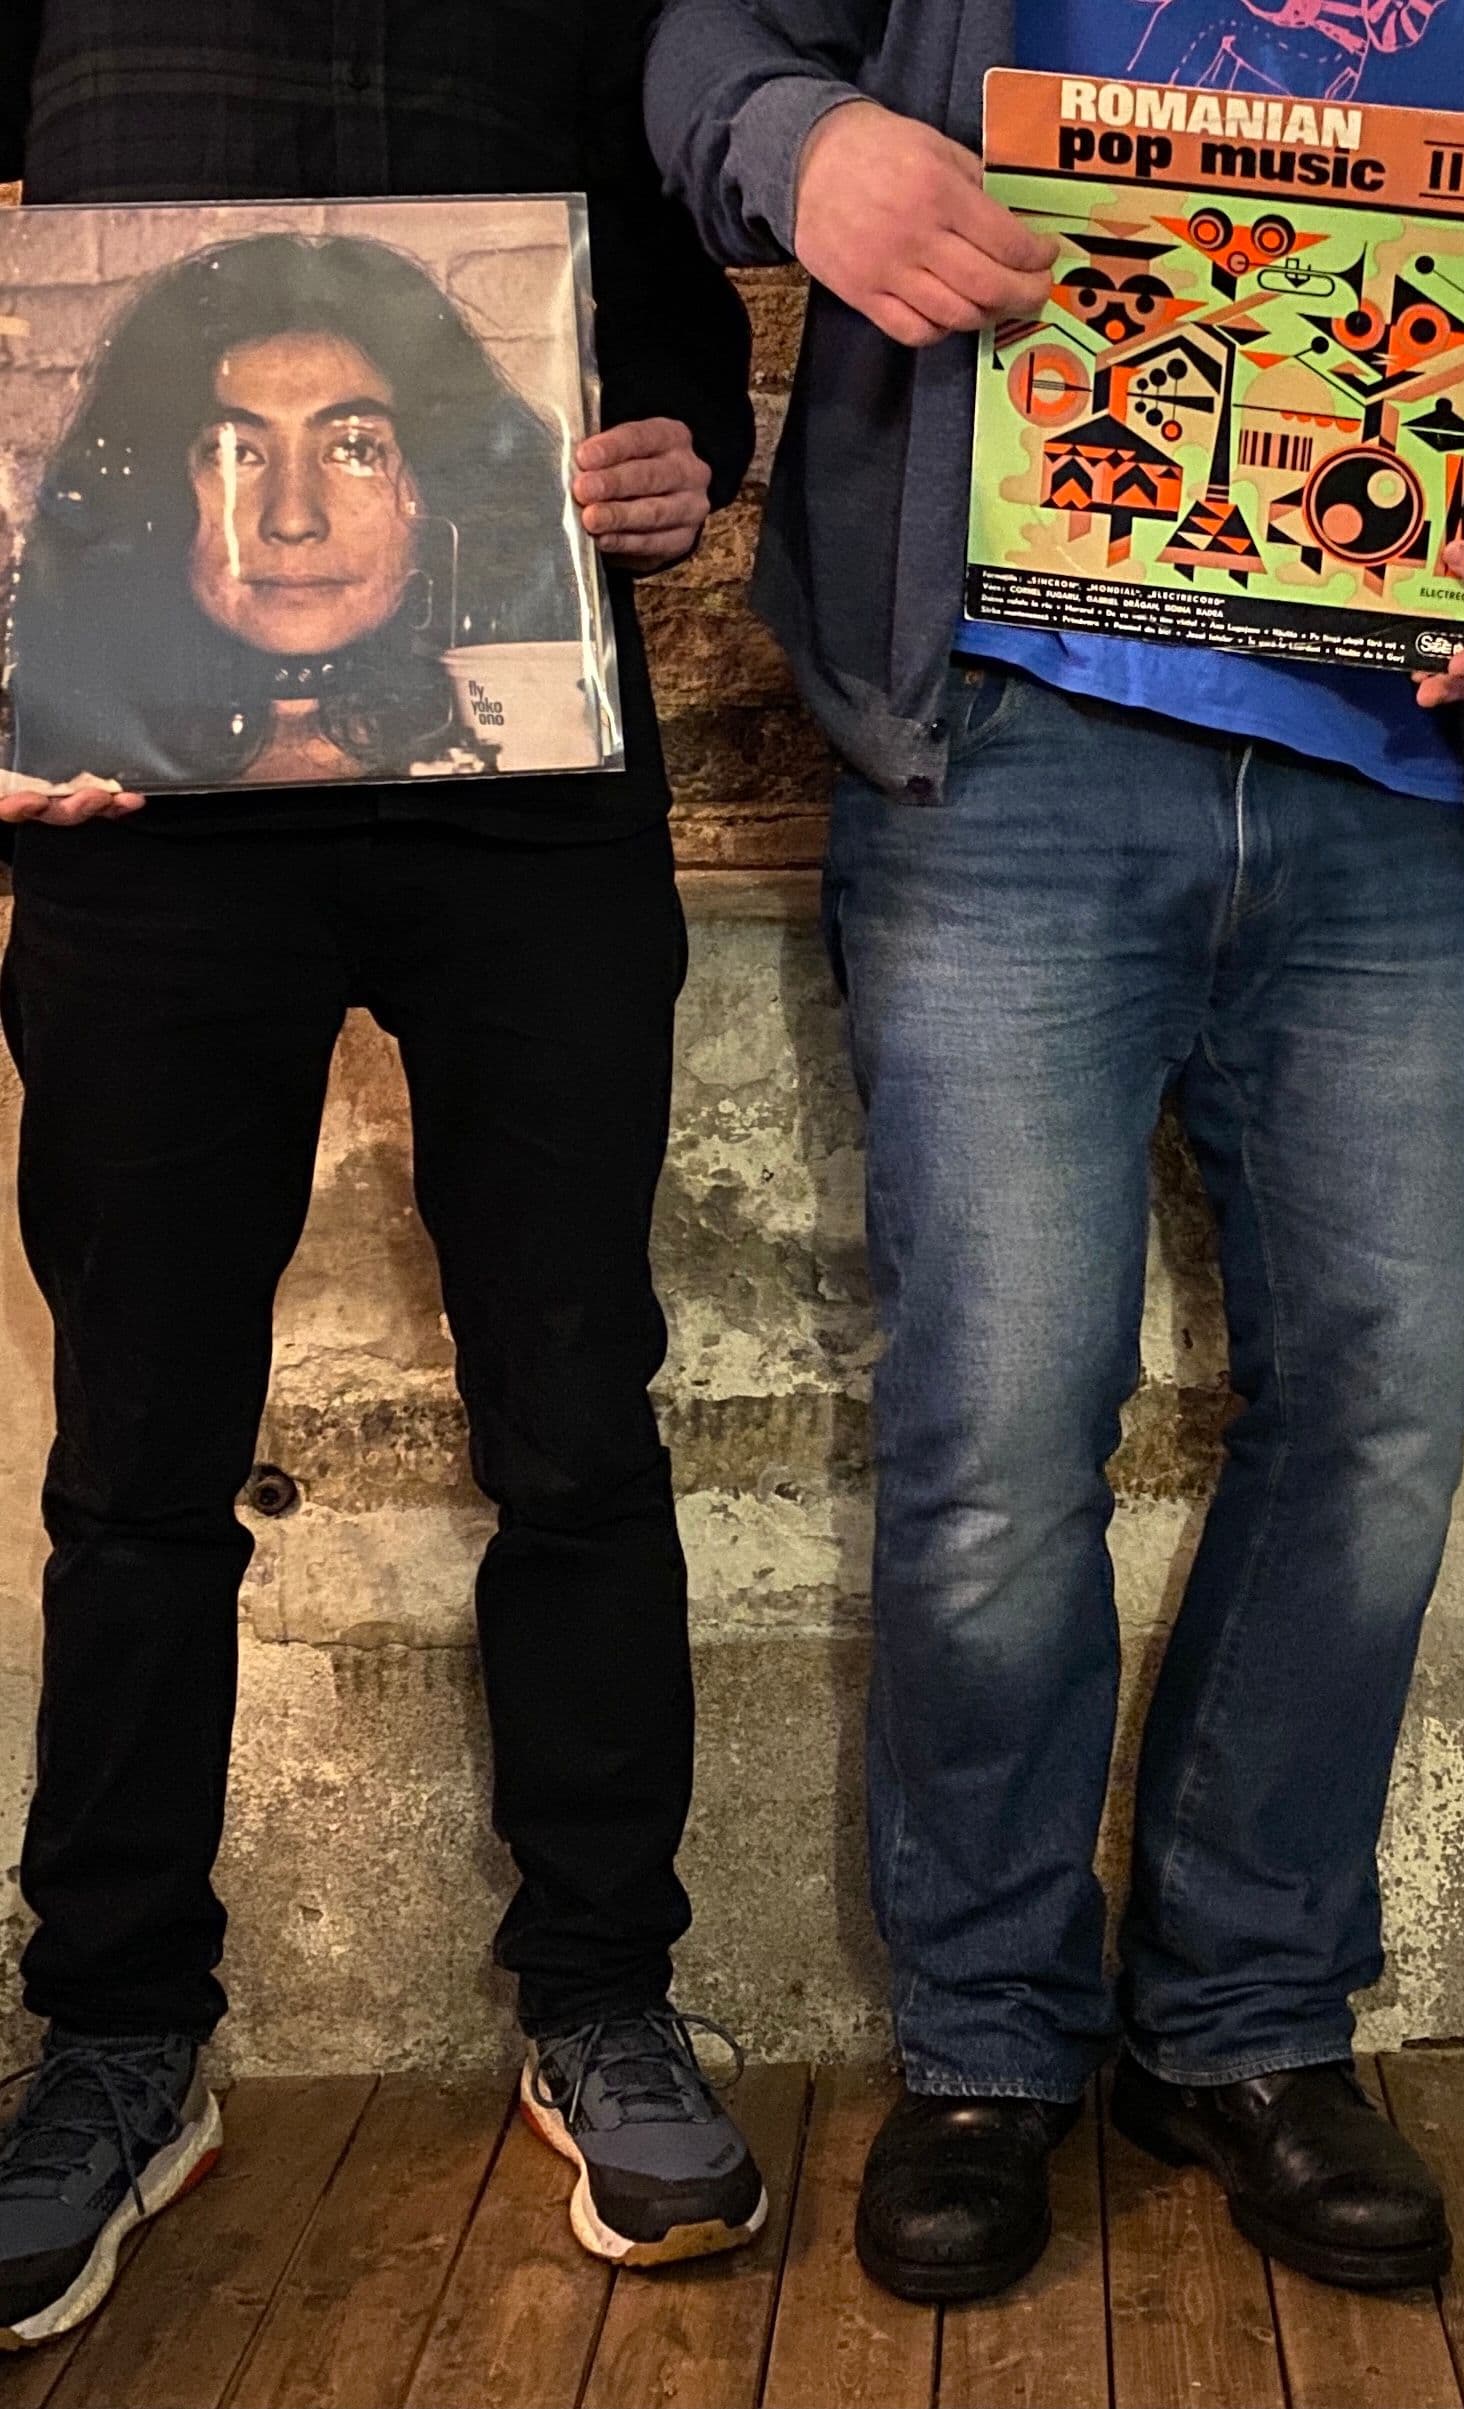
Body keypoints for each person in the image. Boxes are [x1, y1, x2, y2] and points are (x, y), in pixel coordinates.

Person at [648, 0, 1464, 2304]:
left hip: (1383, 761)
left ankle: (1247, 2019)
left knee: (1383, 1420)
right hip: (1016, 732)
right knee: (1003, 1425)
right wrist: (805, 148)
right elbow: (708, 44)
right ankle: (987, 2041)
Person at [0, 0, 764, 2350]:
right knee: (135, 1455)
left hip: (526, 783)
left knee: (577, 1416)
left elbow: (675, 309)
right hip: (133, 809)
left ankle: (604, 1993)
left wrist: (681, 454)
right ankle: (117, 2033)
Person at [12, 232, 589, 792]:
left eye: (355, 449)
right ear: (157, 493)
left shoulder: (547, 744)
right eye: (235, 453)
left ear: (442, 485)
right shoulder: (54, 759)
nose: (292, 520)